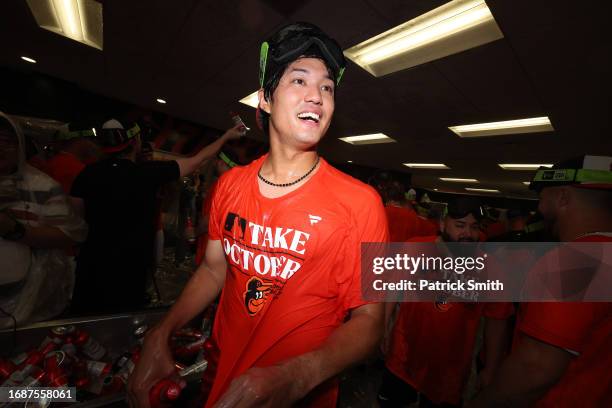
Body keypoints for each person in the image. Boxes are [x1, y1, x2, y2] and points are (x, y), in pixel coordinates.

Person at [128, 22, 388, 408]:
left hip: (302, 394)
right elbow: (215, 269)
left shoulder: (362, 203)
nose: (316, 95)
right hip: (221, 378)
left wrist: (299, 374)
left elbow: (370, 321)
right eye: (299, 81)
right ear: (265, 100)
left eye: (327, 87)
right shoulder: (230, 184)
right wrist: (162, 332)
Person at [470, 155, 612, 407]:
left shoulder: (574, 261)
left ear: (563, 197)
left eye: (542, 195)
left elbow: (534, 369)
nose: (539, 206)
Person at [69, 118, 243, 315]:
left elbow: (76, 219)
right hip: (130, 267)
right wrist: (228, 135)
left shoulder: (86, 175)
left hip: (92, 263)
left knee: (83, 321)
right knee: (121, 323)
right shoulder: (148, 173)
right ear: (135, 143)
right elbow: (198, 159)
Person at [380, 196, 513, 407]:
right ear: (442, 224)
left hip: (449, 371)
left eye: (474, 227)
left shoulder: (491, 268)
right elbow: (391, 290)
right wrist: (382, 331)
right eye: (460, 225)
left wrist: (491, 368)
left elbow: (497, 319)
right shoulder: (414, 249)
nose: (467, 234)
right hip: (402, 358)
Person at [0, 112, 87, 328]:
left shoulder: (42, 186)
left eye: (7, 142)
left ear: (19, 146)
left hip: (25, 303)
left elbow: (72, 234)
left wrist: (17, 231)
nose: (1, 148)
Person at [45, 123, 102, 194]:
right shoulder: (79, 170)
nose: (94, 145)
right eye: (90, 139)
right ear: (80, 140)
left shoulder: (50, 163)